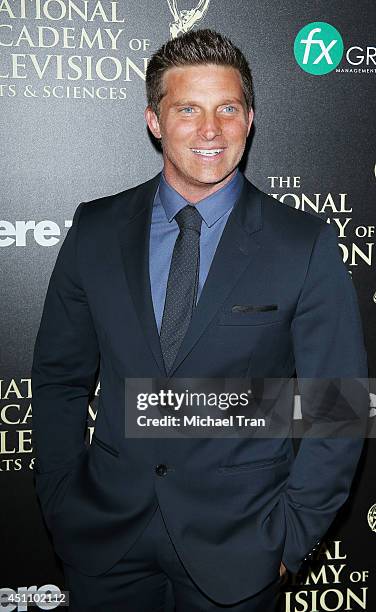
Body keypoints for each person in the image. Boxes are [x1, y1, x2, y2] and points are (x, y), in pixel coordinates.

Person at [31, 29, 368, 611]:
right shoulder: (96, 229)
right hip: (105, 542)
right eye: (187, 109)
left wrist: (290, 538)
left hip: (242, 548)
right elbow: (60, 378)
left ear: (250, 119)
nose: (210, 130)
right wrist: (62, 500)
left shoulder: (302, 245)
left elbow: (335, 405)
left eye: (227, 109)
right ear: (154, 122)